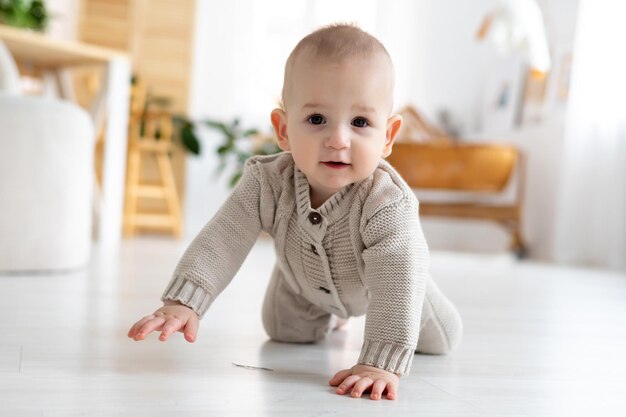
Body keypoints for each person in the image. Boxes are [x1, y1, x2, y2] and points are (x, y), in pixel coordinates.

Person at [128, 23, 462, 401]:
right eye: (317, 119)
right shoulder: (266, 183)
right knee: (283, 331)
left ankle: (420, 313)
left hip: (386, 289)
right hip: (301, 283)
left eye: (360, 122)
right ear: (283, 130)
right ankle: (324, 314)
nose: (338, 139)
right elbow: (223, 238)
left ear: (387, 136)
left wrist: (379, 362)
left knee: (441, 338)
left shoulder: (387, 203)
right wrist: (184, 301)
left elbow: (397, 280)